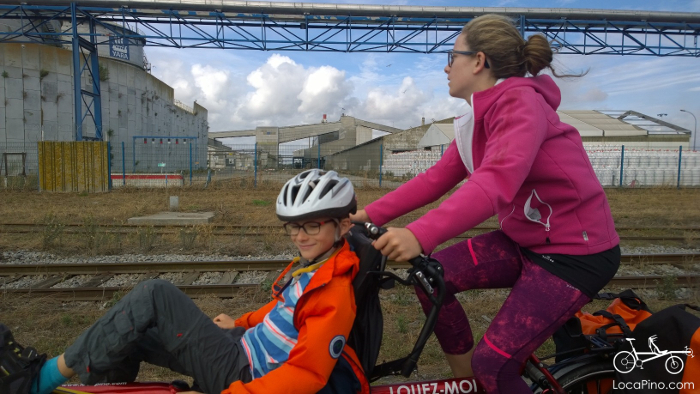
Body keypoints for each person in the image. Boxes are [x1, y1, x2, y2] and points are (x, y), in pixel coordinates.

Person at [351, 14, 620, 394]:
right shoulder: (477, 116)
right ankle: (470, 385)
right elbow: (437, 178)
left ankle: (488, 379)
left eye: (452, 56)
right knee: (432, 279)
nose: (446, 67)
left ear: (478, 61)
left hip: (575, 255)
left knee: (494, 365)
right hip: (526, 242)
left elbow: (495, 179)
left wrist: (419, 233)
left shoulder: (519, 103)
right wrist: (363, 215)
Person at [3, 169, 368, 394]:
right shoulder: (315, 267)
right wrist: (240, 323)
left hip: (243, 372)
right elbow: (280, 312)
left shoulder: (333, 292)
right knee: (134, 332)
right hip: (241, 347)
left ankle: (40, 380)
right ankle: (103, 387)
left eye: (312, 225)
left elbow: (308, 374)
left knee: (156, 294)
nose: (300, 236)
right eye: (293, 226)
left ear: (343, 226)